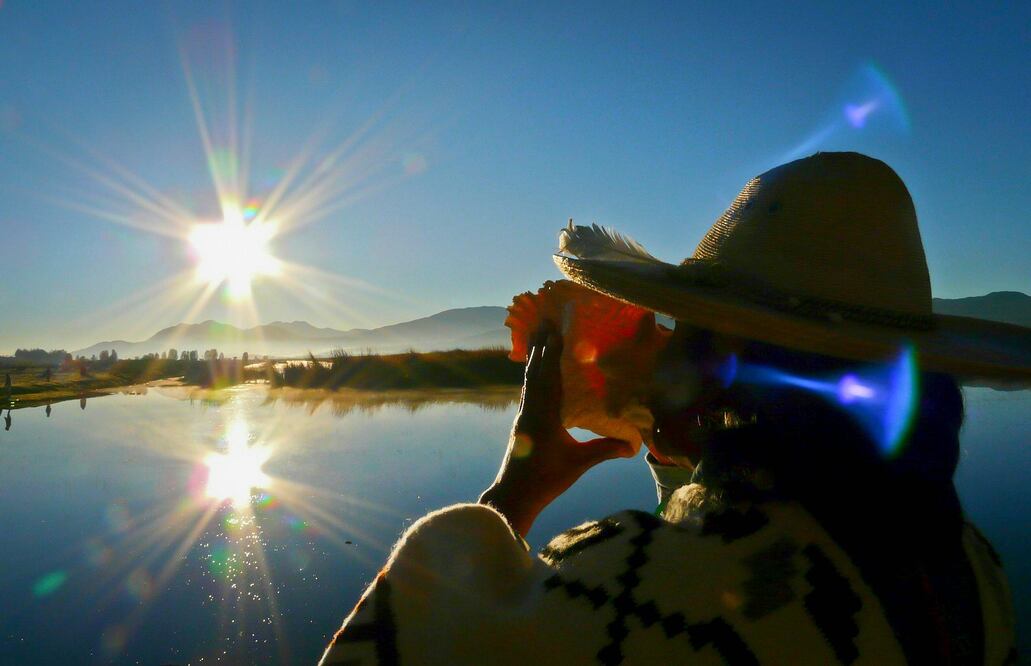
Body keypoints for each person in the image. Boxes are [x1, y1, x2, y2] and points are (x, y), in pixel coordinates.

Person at [319, 153, 1026, 665]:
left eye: (682, 329)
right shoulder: (970, 562)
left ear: (716, 365)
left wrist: (511, 496)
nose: (663, 347)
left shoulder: (634, 590)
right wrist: (676, 448)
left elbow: (396, 648)